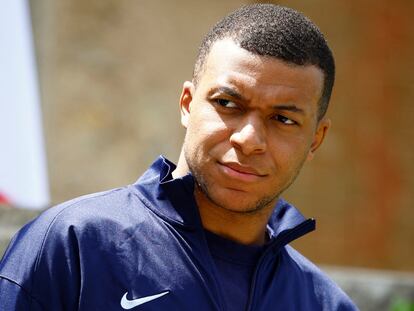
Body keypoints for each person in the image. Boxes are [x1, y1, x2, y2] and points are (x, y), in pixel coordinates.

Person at [0, 4, 358, 310]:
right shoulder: (73, 244)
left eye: (283, 119)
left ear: (315, 139)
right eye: (228, 104)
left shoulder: (325, 303)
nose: (248, 139)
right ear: (187, 104)